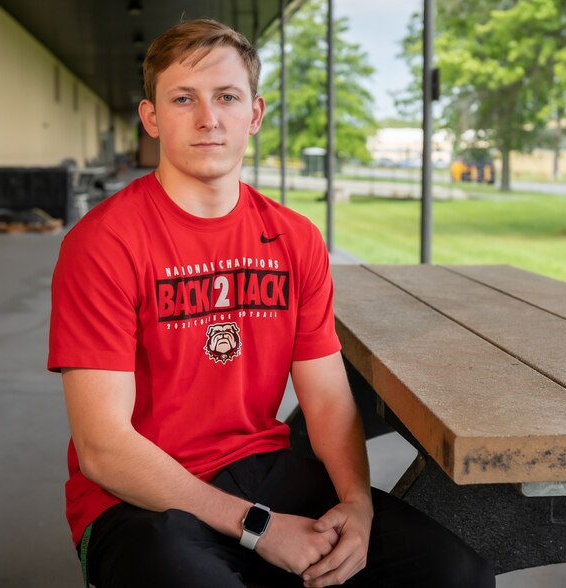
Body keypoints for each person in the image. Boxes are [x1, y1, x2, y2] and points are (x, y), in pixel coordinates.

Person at [48, 18, 495, 588]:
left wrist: (358, 503)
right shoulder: (104, 242)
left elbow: (329, 400)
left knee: (458, 574)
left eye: (226, 97)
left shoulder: (294, 238)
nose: (208, 118)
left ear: (254, 115)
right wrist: (259, 527)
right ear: (152, 118)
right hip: (138, 499)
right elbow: (104, 449)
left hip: (260, 467)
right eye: (183, 98)